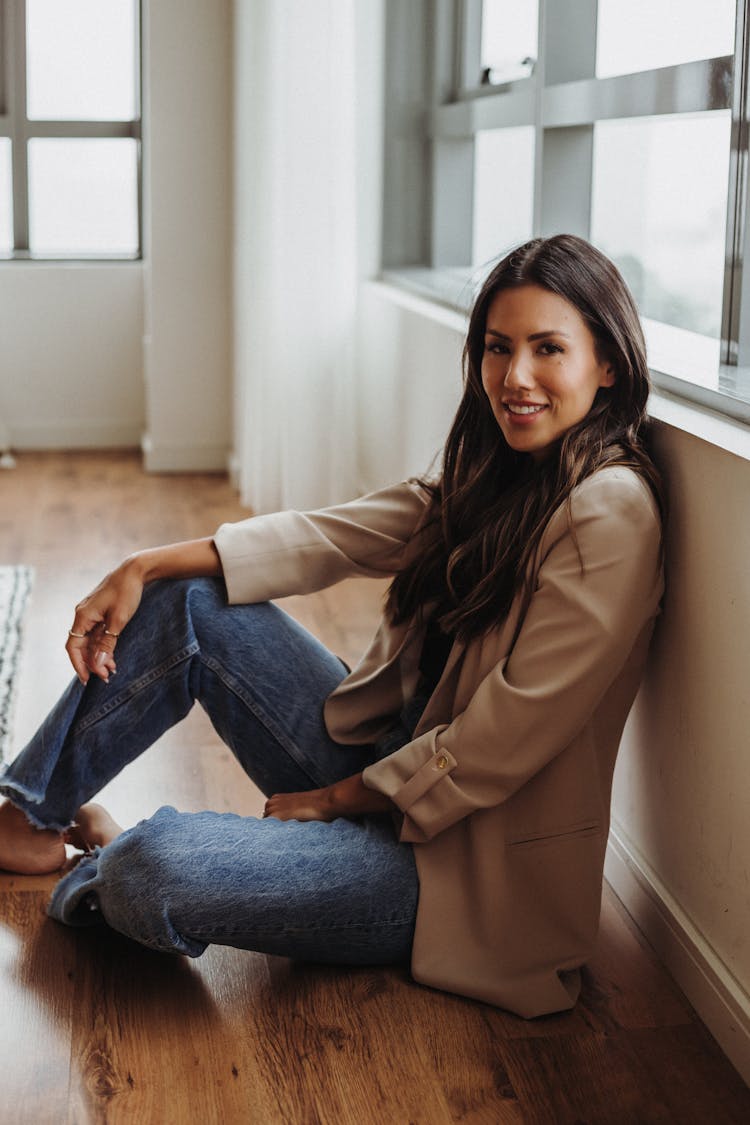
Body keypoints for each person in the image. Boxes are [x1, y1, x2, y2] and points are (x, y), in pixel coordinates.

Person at [0, 234, 664, 1019]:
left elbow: (502, 739)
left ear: (608, 362)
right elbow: (337, 534)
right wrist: (144, 564)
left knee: (155, 866)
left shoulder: (610, 512)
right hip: (384, 764)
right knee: (186, 597)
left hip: (451, 866)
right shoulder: (507, 472)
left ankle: (112, 851)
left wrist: (336, 799)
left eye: (548, 348)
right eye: (498, 347)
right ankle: (23, 815)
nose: (514, 377)